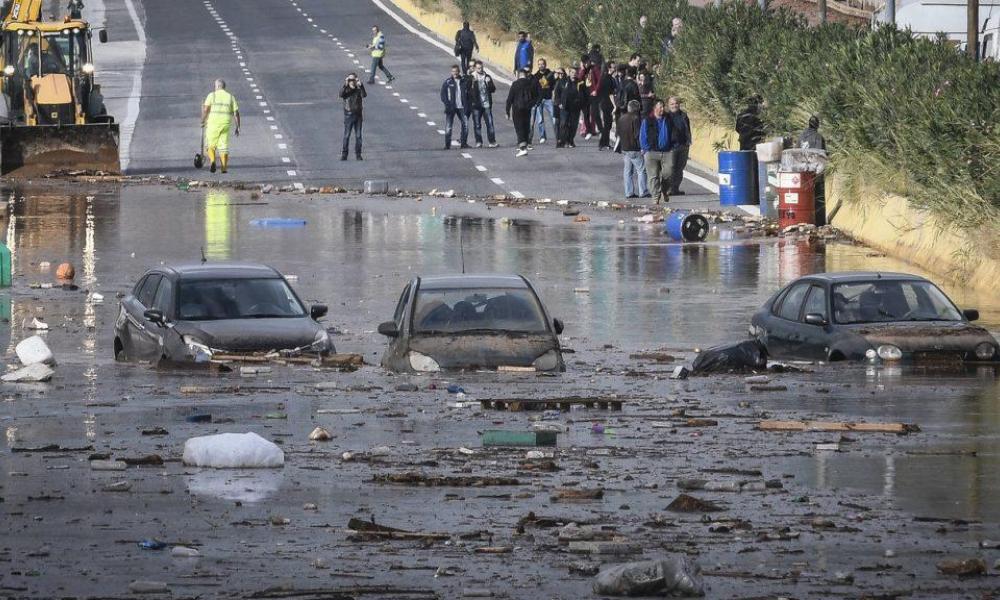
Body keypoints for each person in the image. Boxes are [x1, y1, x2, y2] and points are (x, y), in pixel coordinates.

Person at [200, 79, 240, 174]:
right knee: (223, 147)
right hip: (225, 124)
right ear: (224, 87)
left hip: (213, 124)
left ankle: (213, 161)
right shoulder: (230, 97)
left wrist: (202, 120)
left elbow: (206, 110)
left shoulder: (211, 95)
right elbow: (236, 113)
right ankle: (224, 168)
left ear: (217, 86)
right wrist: (238, 126)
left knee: (210, 145)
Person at [640, 100, 672, 205]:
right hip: (651, 152)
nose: (662, 109)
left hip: (667, 151)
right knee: (653, 176)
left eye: (663, 107)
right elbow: (643, 136)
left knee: (668, 173)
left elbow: (674, 133)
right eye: (660, 107)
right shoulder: (647, 120)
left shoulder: (668, 119)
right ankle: (655, 196)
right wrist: (646, 149)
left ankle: (664, 190)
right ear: (654, 108)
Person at [618, 100, 649, 199]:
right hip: (634, 148)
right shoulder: (636, 119)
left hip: (625, 148)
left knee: (627, 171)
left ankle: (629, 192)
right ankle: (643, 191)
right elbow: (638, 135)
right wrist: (642, 147)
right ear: (638, 108)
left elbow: (618, 133)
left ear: (629, 108)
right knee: (642, 170)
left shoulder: (622, 118)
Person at [506, 67, 539, 157]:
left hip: (517, 109)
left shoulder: (515, 84)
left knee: (519, 128)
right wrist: (531, 104)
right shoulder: (530, 83)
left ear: (518, 74)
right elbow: (536, 96)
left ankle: (522, 148)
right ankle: (525, 144)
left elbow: (510, 99)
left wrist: (507, 111)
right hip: (527, 109)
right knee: (525, 127)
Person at [440, 64, 470, 149]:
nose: (455, 73)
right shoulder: (448, 82)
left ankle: (464, 143)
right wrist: (447, 104)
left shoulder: (464, 81)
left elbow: (469, 93)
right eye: (453, 71)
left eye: (456, 71)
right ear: (451, 72)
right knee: (448, 126)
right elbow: (443, 94)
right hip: (451, 107)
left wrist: (468, 104)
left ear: (459, 72)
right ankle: (447, 145)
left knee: (465, 125)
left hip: (462, 107)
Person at [469, 60, 497, 148]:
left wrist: (489, 83)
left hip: (486, 104)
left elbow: (493, 89)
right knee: (477, 124)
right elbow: (467, 89)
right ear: (475, 68)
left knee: (490, 123)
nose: (480, 69)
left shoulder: (487, 77)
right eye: (478, 68)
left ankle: (492, 141)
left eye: (481, 68)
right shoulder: (472, 77)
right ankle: (478, 142)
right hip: (476, 105)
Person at [667, 96, 691, 195]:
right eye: (672, 104)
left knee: (679, 168)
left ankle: (675, 189)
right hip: (670, 146)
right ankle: (668, 189)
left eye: (676, 103)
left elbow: (687, 129)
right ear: (668, 105)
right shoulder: (666, 116)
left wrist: (688, 141)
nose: (674, 105)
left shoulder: (684, 115)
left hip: (683, 145)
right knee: (670, 168)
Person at [339, 73, 366, 161]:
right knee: (347, 135)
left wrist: (361, 85)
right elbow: (341, 95)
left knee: (358, 136)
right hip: (348, 115)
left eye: (353, 80)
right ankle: (344, 154)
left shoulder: (358, 89)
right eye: (350, 80)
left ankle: (358, 154)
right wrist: (345, 84)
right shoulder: (346, 90)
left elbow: (364, 95)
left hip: (358, 115)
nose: (351, 82)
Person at [557, 68, 584, 148]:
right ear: (569, 73)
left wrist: (582, 104)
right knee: (563, 123)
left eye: (575, 73)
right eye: (572, 72)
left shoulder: (580, 82)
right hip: (565, 106)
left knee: (573, 125)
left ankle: (570, 140)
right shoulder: (563, 81)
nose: (573, 74)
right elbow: (557, 92)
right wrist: (559, 103)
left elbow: (584, 94)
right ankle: (562, 141)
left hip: (575, 107)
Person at [592, 60, 614, 150]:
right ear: (608, 68)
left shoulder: (605, 77)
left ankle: (605, 143)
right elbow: (610, 93)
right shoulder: (607, 78)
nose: (614, 68)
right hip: (606, 103)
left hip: (604, 102)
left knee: (608, 125)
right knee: (607, 124)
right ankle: (602, 143)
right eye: (613, 67)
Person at [532, 58, 556, 144]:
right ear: (537, 65)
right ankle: (542, 136)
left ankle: (558, 135)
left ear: (545, 64)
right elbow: (534, 88)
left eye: (542, 64)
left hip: (548, 99)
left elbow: (554, 85)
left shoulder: (550, 74)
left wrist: (553, 94)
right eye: (539, 64)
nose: (541, 65)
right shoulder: (535, 76)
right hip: (539, 100)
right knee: (540, 120)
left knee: (554, 117)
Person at [552, 67, 568, 141]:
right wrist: (553, 74)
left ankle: (563, 137)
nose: (560, 75)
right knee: (557, 122)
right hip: (556, 104)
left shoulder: (566, 81)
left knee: (564, 122)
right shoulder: (554, 81)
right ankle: (558, 138)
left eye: (562, 73)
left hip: (564, 104)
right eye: (558, 73)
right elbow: (543, 83)